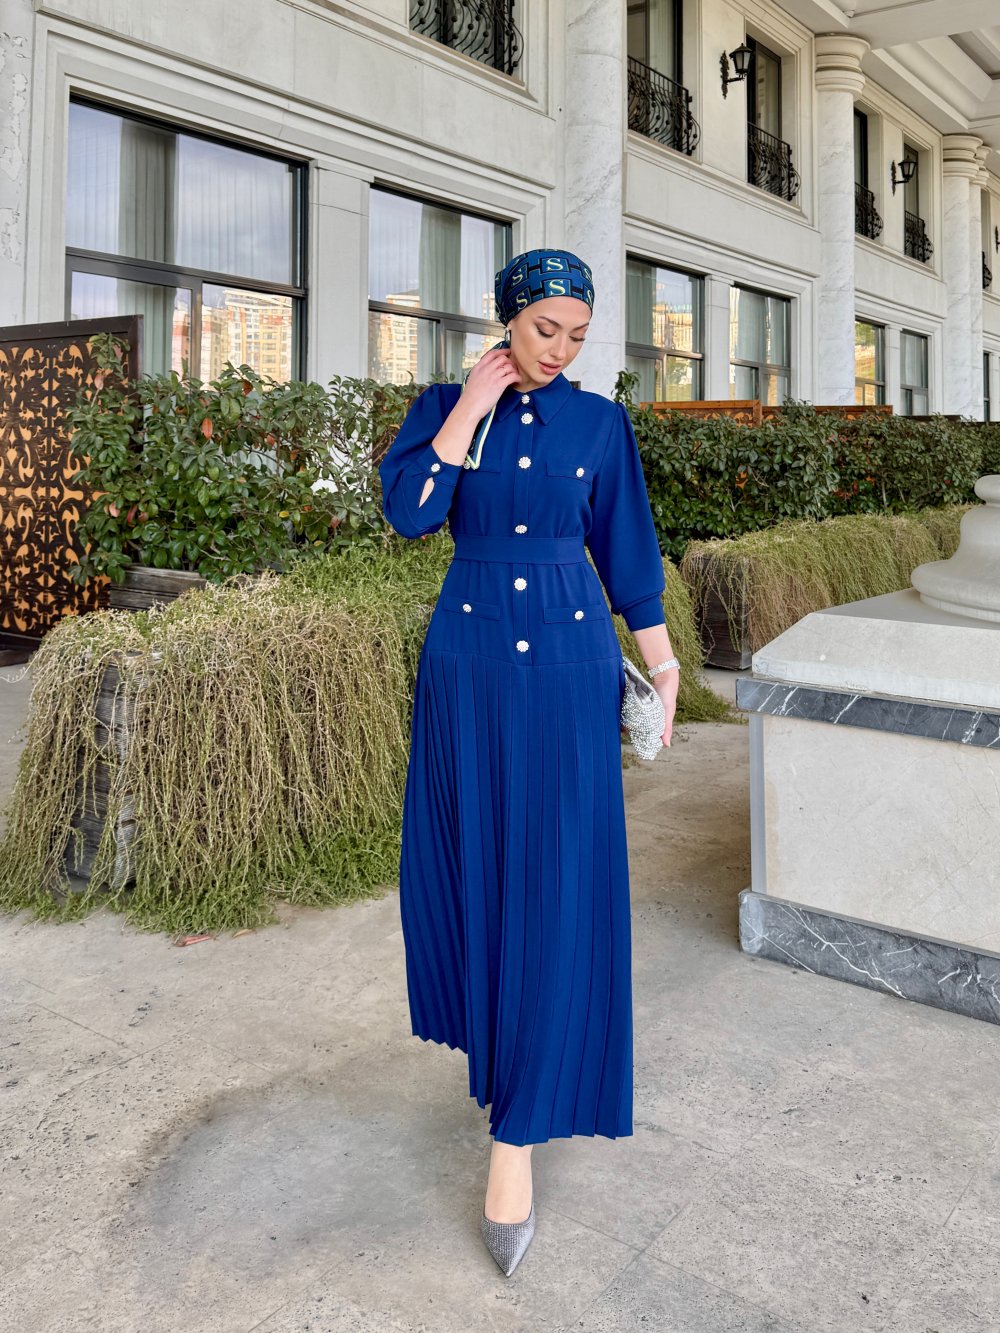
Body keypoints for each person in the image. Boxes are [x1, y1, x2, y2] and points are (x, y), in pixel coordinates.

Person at [378, 247, 680, 1277]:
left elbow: (627, 555)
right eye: (546, 328)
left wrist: (662, 667)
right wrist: (468, 407)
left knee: (557, 886)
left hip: (566, 662)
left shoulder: (599, 425)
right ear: (507, 316)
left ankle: (516, 1138)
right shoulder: (441, 407)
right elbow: (411, 512)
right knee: (472, 877)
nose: (560, 349)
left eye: (577, 335)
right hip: (467, 668)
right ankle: (500, 1060)